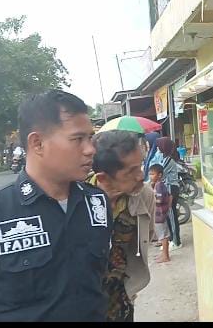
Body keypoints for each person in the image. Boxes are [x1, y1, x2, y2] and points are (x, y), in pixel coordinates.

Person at [0, 89, 111, 322]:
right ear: (37, 143)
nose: (90, 149)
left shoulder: (96, 203)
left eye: (91, 138)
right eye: (78, 139)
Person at [88, 130, 155, 322]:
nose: (141, 176)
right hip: (83, 299)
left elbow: (145, 238)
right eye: (131, 171)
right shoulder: (77, 197)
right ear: (103, 178)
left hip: (120, 296)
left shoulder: (145, 194)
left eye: (141, 166)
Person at [156, 137, 182, 251]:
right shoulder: (165, 158)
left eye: (159, 146)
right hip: (168, 188)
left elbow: (159, 173)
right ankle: (171, 239)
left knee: (171, 215)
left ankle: (176, 242)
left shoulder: (168, 160)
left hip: (171, 189)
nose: (157, 148)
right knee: (168, 215)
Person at [149, 164, 171, 263]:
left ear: (159, 175)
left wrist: (151, 199)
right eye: (150, 174)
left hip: (160, 215)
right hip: (158, 215)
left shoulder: (159, 186)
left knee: (163, 236)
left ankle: (166, 256)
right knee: (161, 235)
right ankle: (163, 254)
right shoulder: (157, 185)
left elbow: (160, 200)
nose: (150, 176)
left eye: (152, 174)